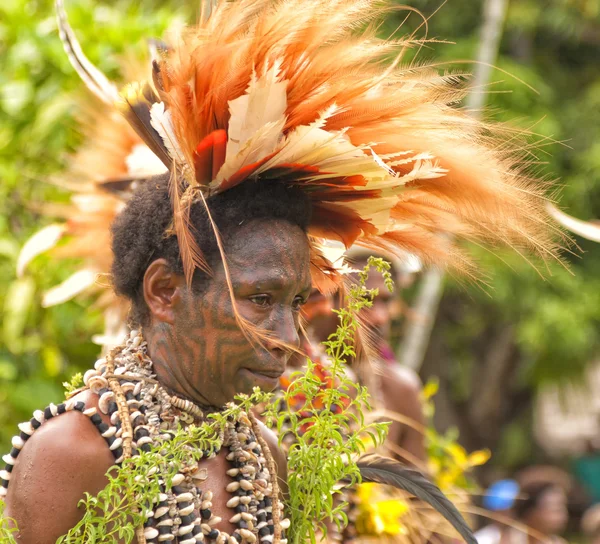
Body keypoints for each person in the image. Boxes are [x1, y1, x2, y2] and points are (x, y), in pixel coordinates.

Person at [1, 0, 561, 541]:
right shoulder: (73, 454)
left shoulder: (262, 451)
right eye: (262, 299)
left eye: (297, 303)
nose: (292, 340)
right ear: (166, 292)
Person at [298, 249, 427, 466]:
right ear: (322, 302)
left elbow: (418, 497)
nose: (380, 317)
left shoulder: (401, 390)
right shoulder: (282, 383)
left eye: (386, 302)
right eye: (364, 300)